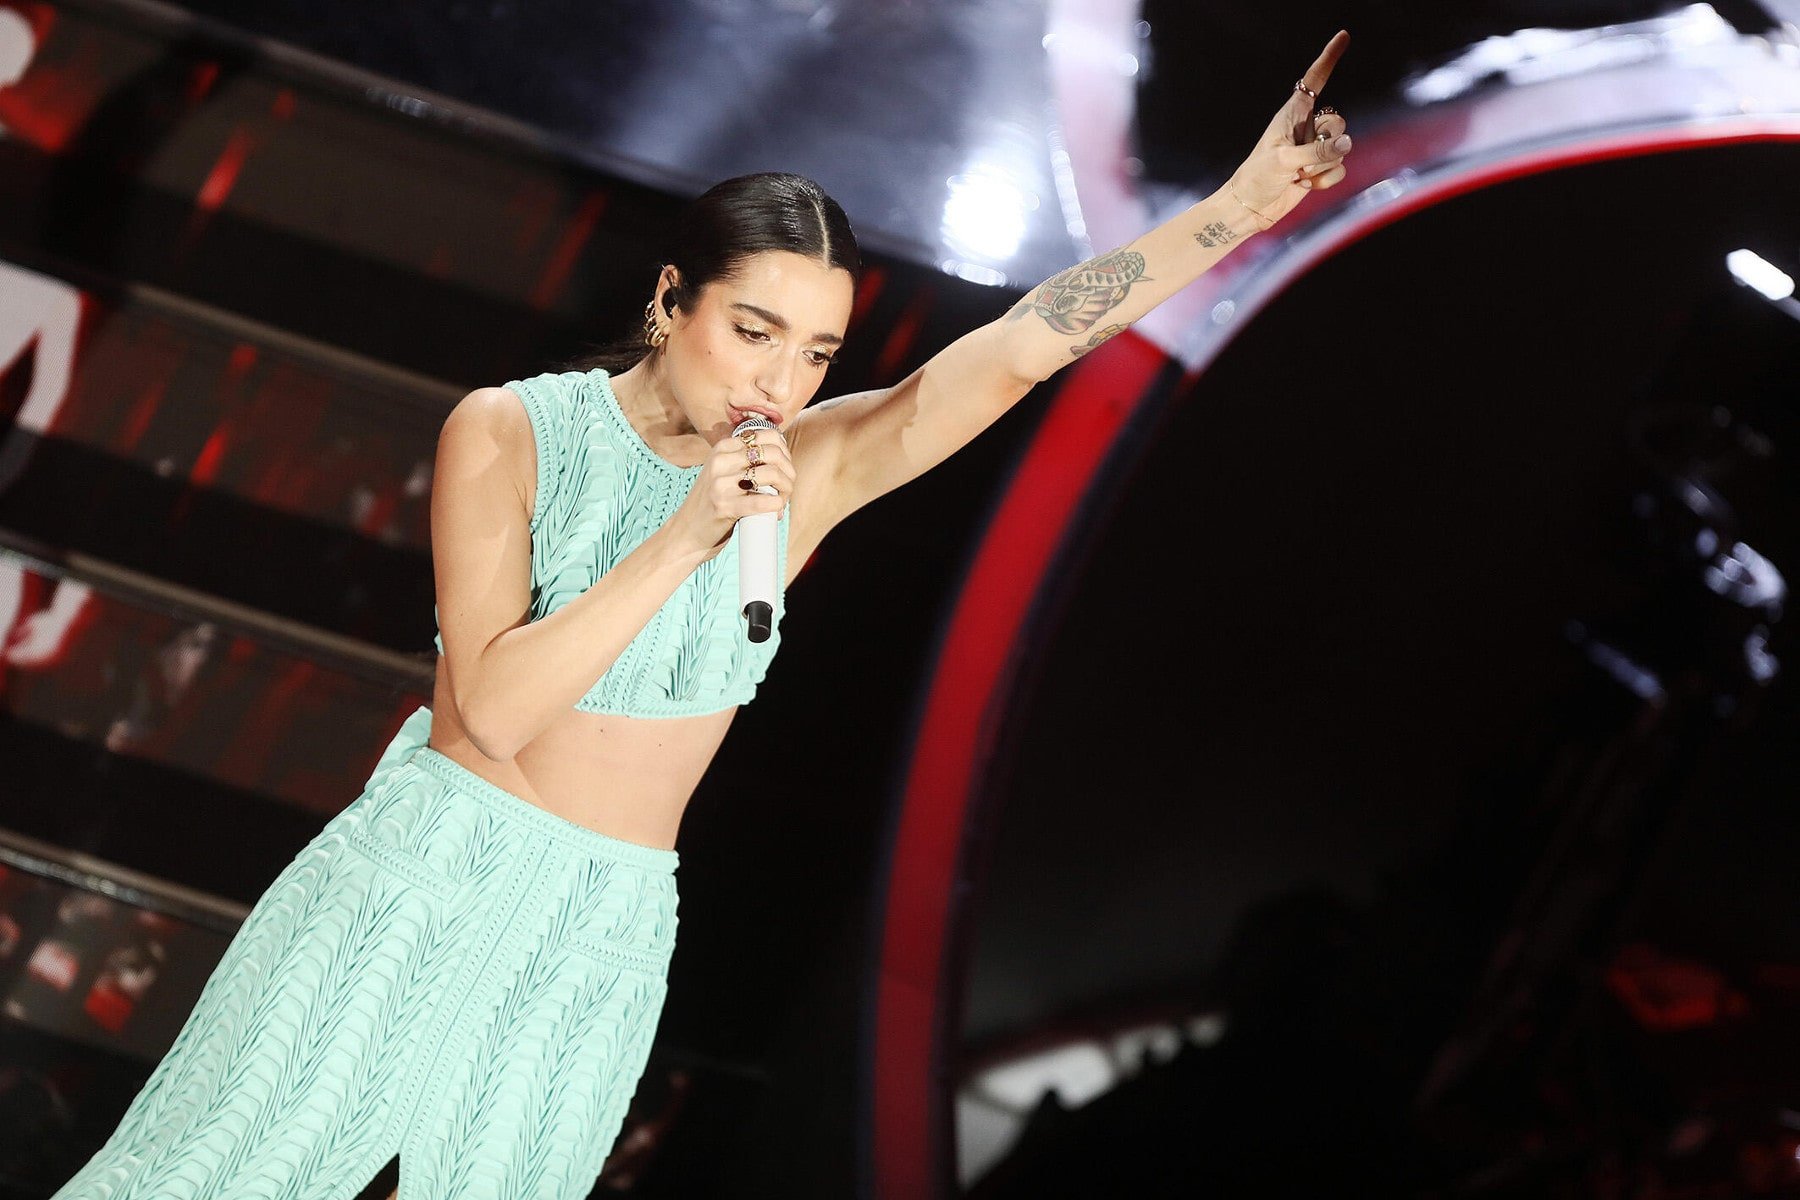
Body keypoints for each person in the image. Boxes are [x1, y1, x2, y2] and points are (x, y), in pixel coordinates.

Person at [50, 30, 1353, 1200]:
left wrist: (1237, 211)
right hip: (425, 877)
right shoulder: (509, 432)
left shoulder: (815, 468)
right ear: (671, 301)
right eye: (754, 331)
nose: (780, 384)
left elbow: (1023, 343)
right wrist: (686, 536)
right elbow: (493, 710)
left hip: (600, 930)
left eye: (816, 354)